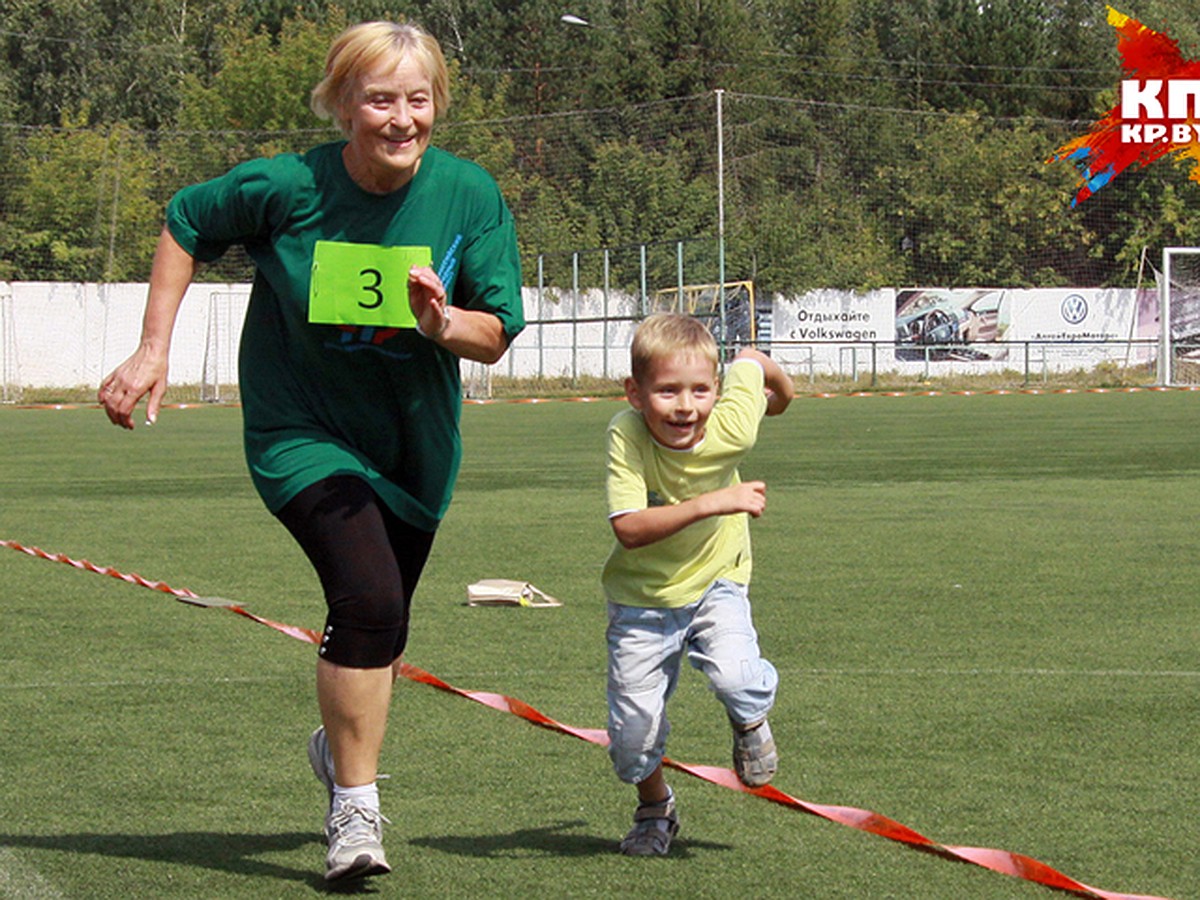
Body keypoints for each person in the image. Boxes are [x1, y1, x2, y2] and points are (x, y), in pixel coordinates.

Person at [97, 21, 524, 883]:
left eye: (418, 100)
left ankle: (336, 751)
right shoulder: (287, 187)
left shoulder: (469, 196)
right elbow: (186, 219)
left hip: (413, 448)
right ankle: (356, 816)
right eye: (380, 100)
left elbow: (496, 334)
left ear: (437, 103)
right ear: (342, 105)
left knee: (385, 622)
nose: (401, 119)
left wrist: (441, 323)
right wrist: (152, 347)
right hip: (301, 432)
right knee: (366, 602)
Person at [602, 312, 793, 856]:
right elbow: (630, 529)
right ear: (635, 394)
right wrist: (716, 501)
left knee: (738, 678)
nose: (685, 406)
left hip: (718, 580)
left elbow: (752, 363)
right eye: (666, 391)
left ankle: (749, 719)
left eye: (699, 390)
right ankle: (655, 804)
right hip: (642, 599)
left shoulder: (733, 423)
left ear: (716, 388)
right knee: (631, 743)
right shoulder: (626, 433)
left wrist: (783, 393)